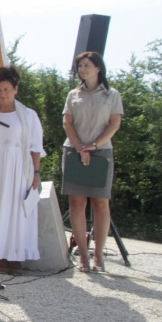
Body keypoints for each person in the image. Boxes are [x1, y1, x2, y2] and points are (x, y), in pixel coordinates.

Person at [0, 66, 45, 272]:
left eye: (7, 90)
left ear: (15, 90)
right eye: (0, 90)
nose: (3, 94)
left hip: (18, 168)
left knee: (15, 210)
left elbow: (35, 147)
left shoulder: (28, 116)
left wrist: (36, 173)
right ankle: (0, 256)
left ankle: (15, 257)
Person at [62, 51, 123, 273]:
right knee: (77, 203)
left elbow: (114, 124)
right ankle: (83, 256)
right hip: (74, 150)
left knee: (100, 203)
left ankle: (98, 256)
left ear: (98, 68)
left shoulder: (111, 94)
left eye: (86, 65)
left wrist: (94, 146)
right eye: (80, 66)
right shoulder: (73, 94)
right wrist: (80, 147)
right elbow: (67, 122)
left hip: (101, 151)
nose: (82, 69)